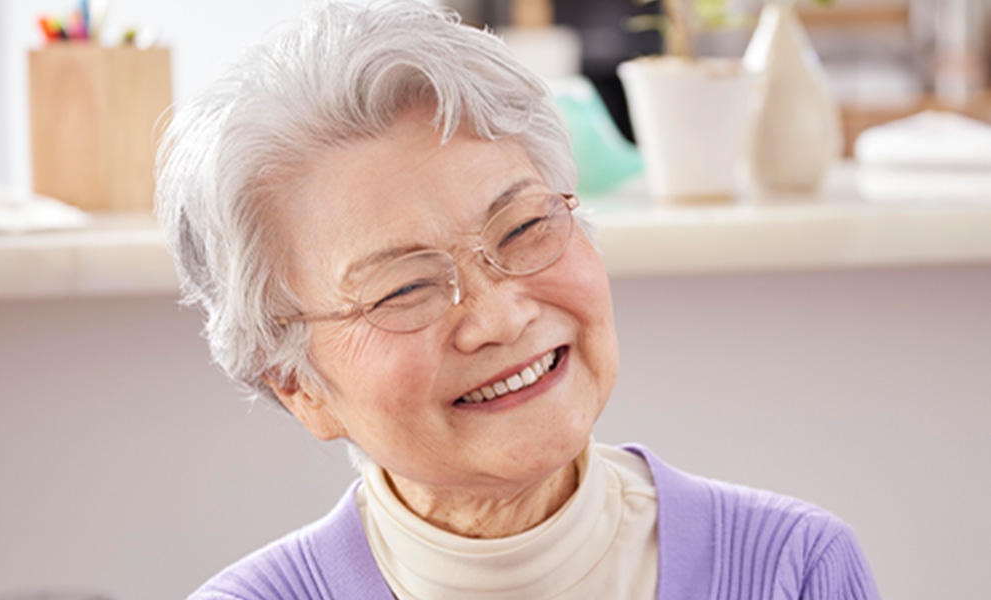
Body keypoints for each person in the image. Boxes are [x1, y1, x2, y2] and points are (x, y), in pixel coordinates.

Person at [155, 1, 880, 598]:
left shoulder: (791, 569)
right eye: (403, 288)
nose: (500, 318)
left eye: (527, 226)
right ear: (296, 386)